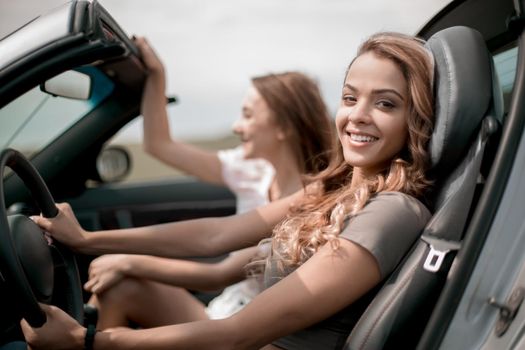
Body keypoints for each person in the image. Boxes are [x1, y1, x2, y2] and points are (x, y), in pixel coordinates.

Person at [23, 31, 435, 349]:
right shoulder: (332, 190)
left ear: (414, 118)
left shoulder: (391, 212)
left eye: (385, 104)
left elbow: (238, 334)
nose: (357, 116)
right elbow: (216, 235)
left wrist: (86, 341)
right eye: (350, 97)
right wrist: (87, 240)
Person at [82, 37, 335, 328]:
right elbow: (159, 145)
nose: (235, 126)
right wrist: (157, 76)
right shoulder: (252, 171)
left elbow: (219, 271)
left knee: (119, 283)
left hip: (246, 330)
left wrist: (125, 260)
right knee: (117, 287)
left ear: (284, 128)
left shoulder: (309, 204)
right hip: (226, 307)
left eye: (248, 115)